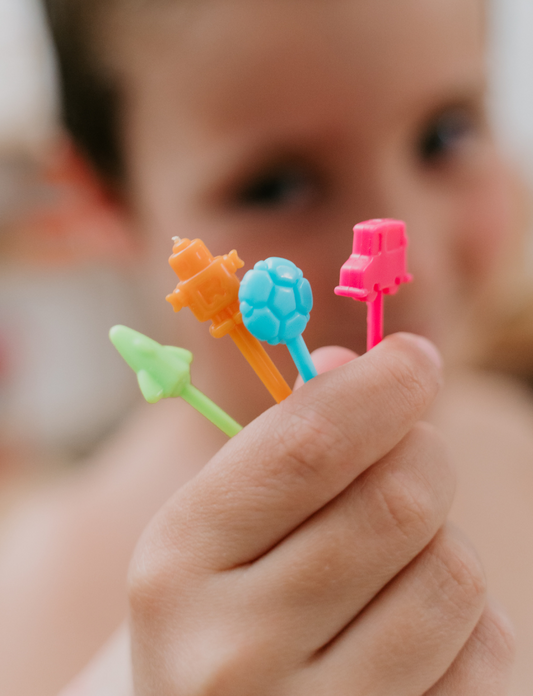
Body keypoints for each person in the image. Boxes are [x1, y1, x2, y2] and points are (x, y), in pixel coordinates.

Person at [1, 0, 532, 693]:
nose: (420, 261)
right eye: (276, 186)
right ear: (100, 200)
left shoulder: (518, 443)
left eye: (444, 135)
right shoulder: (33, 609)